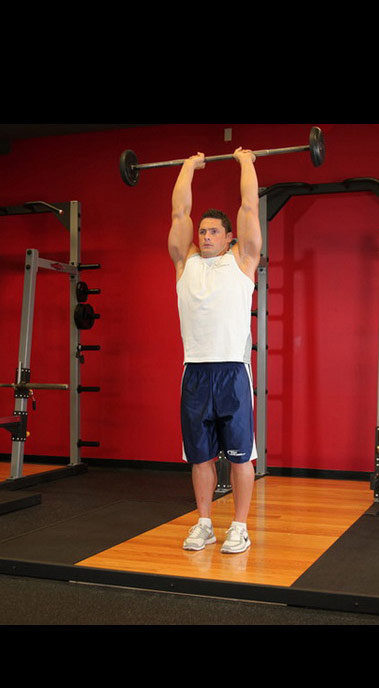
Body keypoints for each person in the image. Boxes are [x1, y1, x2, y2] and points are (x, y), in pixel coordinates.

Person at [168, 147, 262, 554]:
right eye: (202, 231)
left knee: (241, 457)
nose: (204, 236)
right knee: (200, 457)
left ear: (228, 238)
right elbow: (178, 214)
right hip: (195, 372)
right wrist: (188, 167)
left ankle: (239, 527)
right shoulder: (184, 263)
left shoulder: (242, 262)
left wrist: (245, 163)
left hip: (232, 373)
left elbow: (248, 206)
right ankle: (204, 523)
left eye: (213, 232)